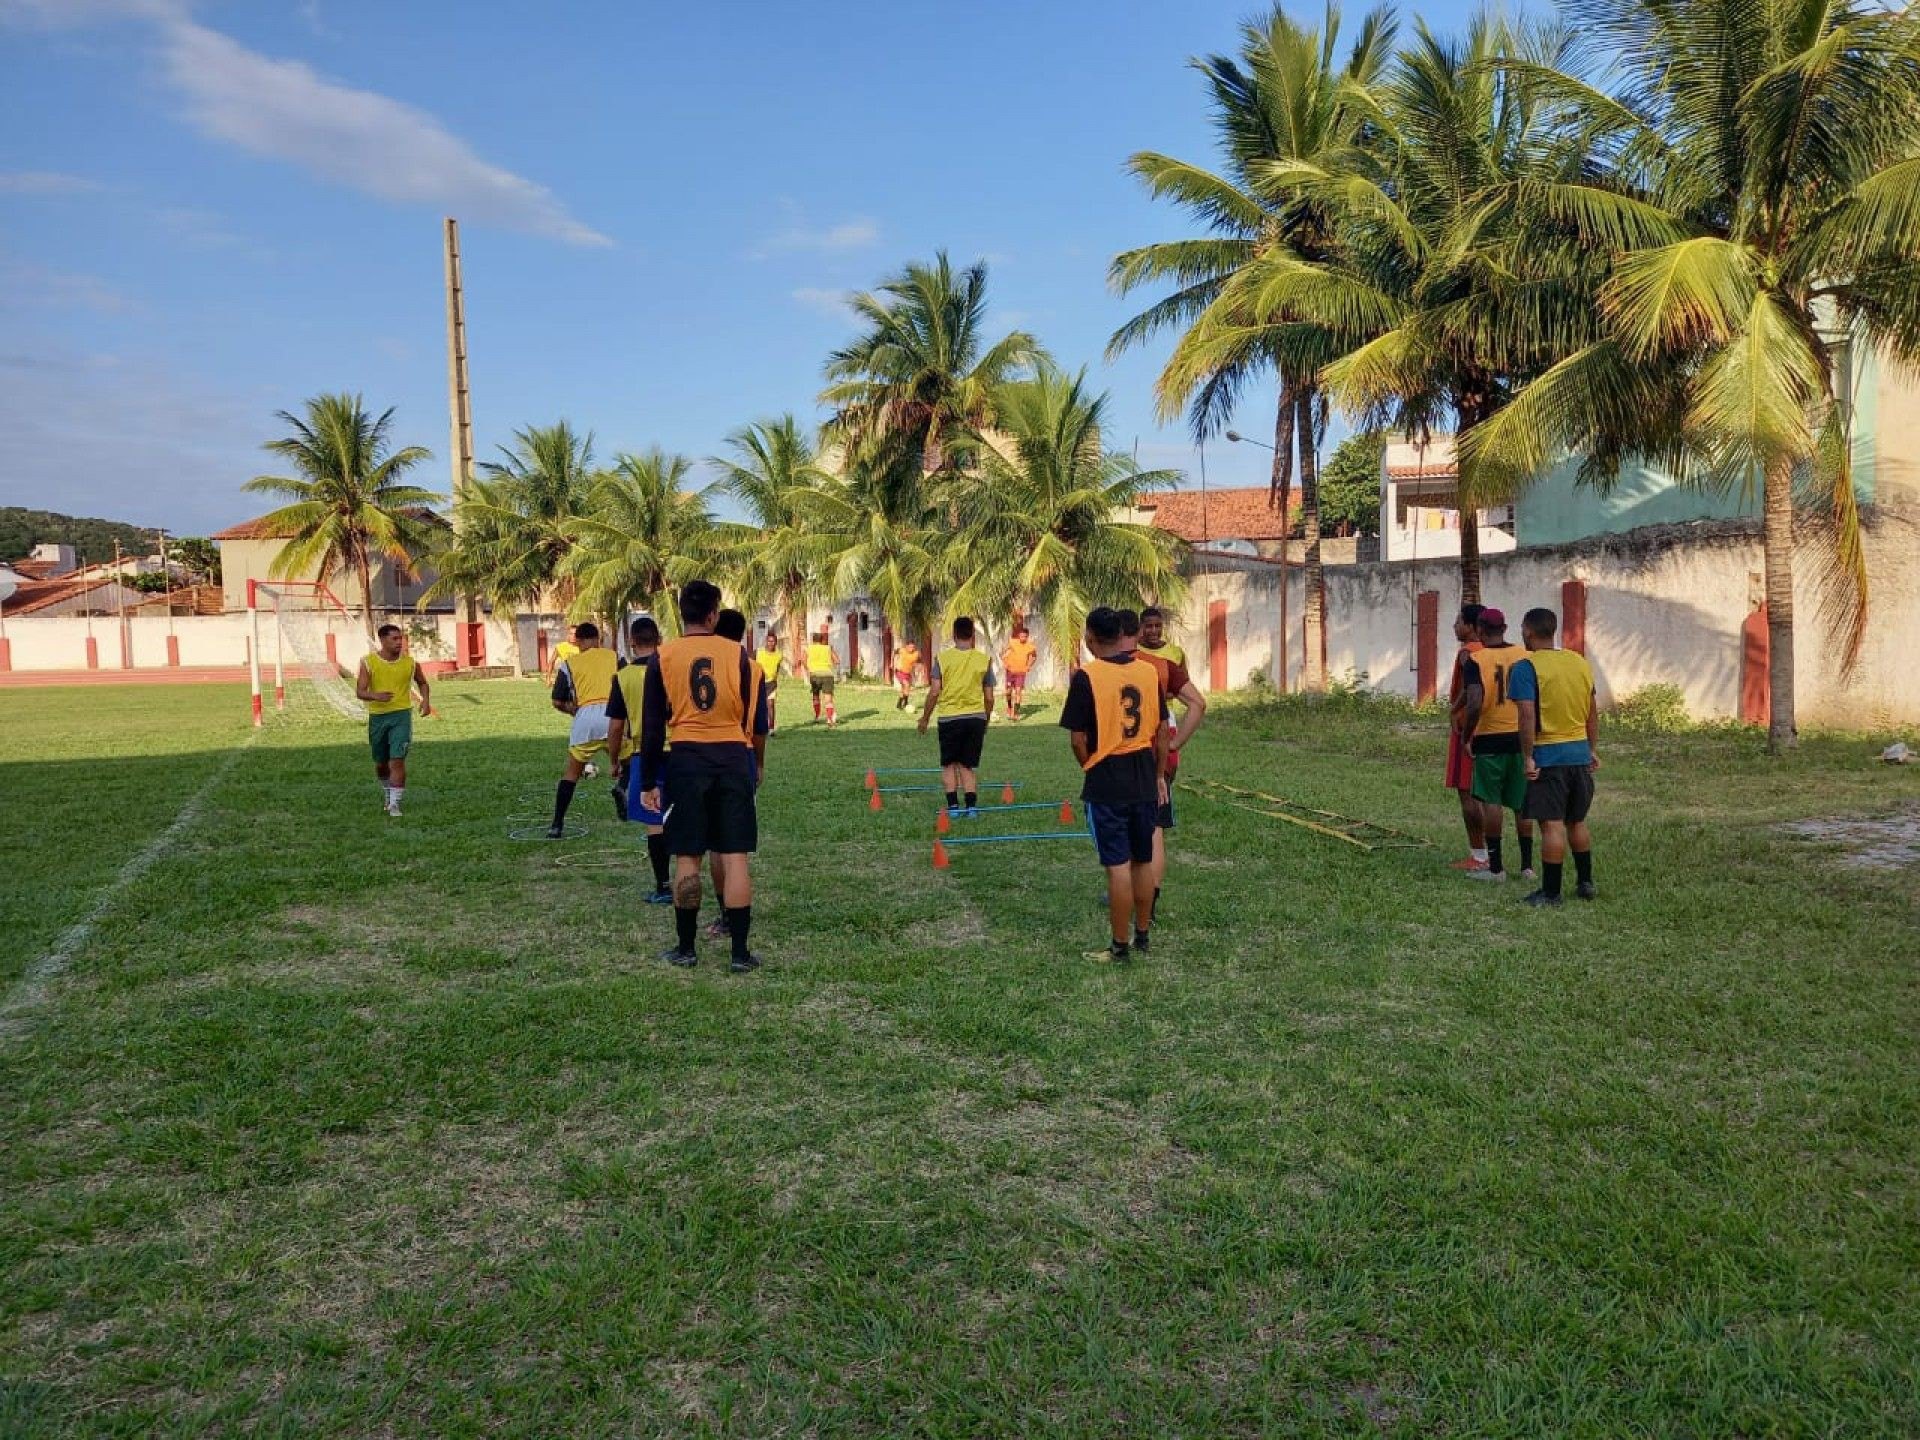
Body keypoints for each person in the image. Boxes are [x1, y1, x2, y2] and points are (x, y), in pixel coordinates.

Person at [640, 581, 769, 972]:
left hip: (686, 759)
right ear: (713, 615)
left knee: (688, 858)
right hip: (731, 757)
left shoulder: (662, 658)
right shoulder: (741, 656)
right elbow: (752, 718)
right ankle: (741, 953)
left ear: (682, 613)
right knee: (735, 858)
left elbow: (651, 728)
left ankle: (686, 948)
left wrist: (648, 782)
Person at [1061, 606, 1168, 963]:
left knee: (1117, 867)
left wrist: (1089, 766)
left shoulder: (1087, 677)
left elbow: (1078, 740)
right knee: (1142, 861)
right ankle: (1142, 935)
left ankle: (1119, 947)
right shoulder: (1148, 672)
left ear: (1090, 637)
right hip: (1143, 774)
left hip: (1107, 776)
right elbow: (1161, 732)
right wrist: (1158, 775)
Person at [1513, 607, 1599, 906]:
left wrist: (1527, 756)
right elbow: (1591, 710)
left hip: (1549, 756)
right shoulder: (1579, 662)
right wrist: (1591, 748)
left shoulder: (1527, 667)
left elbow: (1525, 714)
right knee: (1577, 821)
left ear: (1528, 631)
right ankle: (1585, 883)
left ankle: (1551, 892)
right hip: (1578, 754)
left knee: (1551, 824)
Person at [1133, 606, 1207, 921]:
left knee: (1141, 823)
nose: (1153, 631)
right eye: (1147, 626)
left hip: (1146, 739)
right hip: (1163, 738)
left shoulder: (1164, 657)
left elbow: (1195, 701)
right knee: (1154, 824)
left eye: (1157, 626)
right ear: (1136, 630)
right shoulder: (1153, 660)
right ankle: (1145, 896)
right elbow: (1199, 702)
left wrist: (1175, 742)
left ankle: (1141, 893)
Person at [1454, 607, 1536, 883]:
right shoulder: (1524, 656)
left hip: (1490, 736)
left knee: (1492, 801)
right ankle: (1527, 867)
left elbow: (1475, 700)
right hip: (1520, 735)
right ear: (1505, 628)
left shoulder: (1476, 660)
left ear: (1479, 629)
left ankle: (1497, 867)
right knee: (1522, 802)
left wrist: (1467, 735)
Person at [605, 615, 673, 904]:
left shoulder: (623, 677)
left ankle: (664, 886)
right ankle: (687, 876)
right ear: (659, 640)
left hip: (645, 753)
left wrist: (614, 759)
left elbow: (616, 726)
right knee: (680, 815)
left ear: (632, 642)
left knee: (654, 820)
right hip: (680, 750)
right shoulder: (671, 669)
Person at [546, 621, 621, 838]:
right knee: (628, 765)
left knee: (571, 774)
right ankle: (623, 793)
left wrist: (574, 711)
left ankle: (557, 824)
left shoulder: (569, 664)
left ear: (577, 641)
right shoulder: (615, 656)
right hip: (613, 716)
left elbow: (557, 701)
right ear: (598, 639)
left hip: (585, 719)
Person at [917, 616, 996, 818]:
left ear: (954, 635)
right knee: (967, 765)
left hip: (950, 718)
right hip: (976, 718)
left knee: (949, 764)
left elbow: (935, 691)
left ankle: (953, 808)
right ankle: (971, 808)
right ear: (972, 635)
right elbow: (989, 697)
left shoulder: (942, 659)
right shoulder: (983, 660)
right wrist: (985, 718)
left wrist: (925, 717)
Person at [354, 623, 432, 816]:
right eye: (394, 639)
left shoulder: (411, 663)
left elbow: (422, 682)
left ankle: (395, 804)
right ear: (382, 640)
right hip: (378, 717)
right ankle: (388, 793)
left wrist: (426, 701)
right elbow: (360, 692)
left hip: (401, 715)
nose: (399, 642)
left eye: (401, 639)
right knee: (381, 763)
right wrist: (375, 696)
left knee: (397, 760)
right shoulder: (368, 662)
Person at [1445, 603, 1490, 871]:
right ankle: (1489, 853)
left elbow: (1472, 692)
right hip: (1492, 727)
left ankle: (1479, 855)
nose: (1455, 626)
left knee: (1468, 793)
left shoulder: (1468, 653)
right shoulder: (1493, 653)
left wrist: (1456, 710)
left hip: (1467, 728)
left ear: (1472, 627)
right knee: (1485, 793)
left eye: (1459, 621)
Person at [1000, 626, 1036, 720]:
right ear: (1019, 636)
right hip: (1010, 671)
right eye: (1021, 636)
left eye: (1024, 636)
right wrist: (1004, 661)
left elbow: (1034, 656)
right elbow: (1003, 652)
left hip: (1021, 672)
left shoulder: (1030, 646)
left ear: (1027, 637)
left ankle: (1015, 714)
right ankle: (1009, 707)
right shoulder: (1013, 642)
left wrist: (1029, 666)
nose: (1022, 638)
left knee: (1018, 692)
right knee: (1008, 692)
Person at [804, 627, 838, 726]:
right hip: (827, 674)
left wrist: (809, 669)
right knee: (828, 698)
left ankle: (817, 716)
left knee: (815, 696)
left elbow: (803, 660)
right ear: (821, 640)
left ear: (813, 640)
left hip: (815, 675)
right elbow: (837, 660)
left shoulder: (808, 648)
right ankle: (829, 719)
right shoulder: (828, 648)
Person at [757, 631, 784, 733]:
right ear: (766, 641)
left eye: (773, 641)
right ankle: (760, 726)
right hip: (759, 682)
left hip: (771, 683)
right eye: (769, 641)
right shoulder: (758, 652)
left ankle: (771, 728)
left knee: (771, 704)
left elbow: (777, 667)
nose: (771, 643)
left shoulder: (779, 655)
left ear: (776, 642)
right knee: (760, 706)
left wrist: (774, 677)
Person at [892, 637, 921, 711]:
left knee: (904, 689)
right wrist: (892, 663)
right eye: (910, 647)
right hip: (899, 671)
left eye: (913, 647)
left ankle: (899, 704)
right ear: (906, 646)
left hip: (908, 673)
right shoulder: (902, 650)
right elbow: (894, 652)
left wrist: (917, 669)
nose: (912, 648)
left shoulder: (916, 653)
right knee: (906, 685)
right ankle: (906, 703)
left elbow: (919, 662)